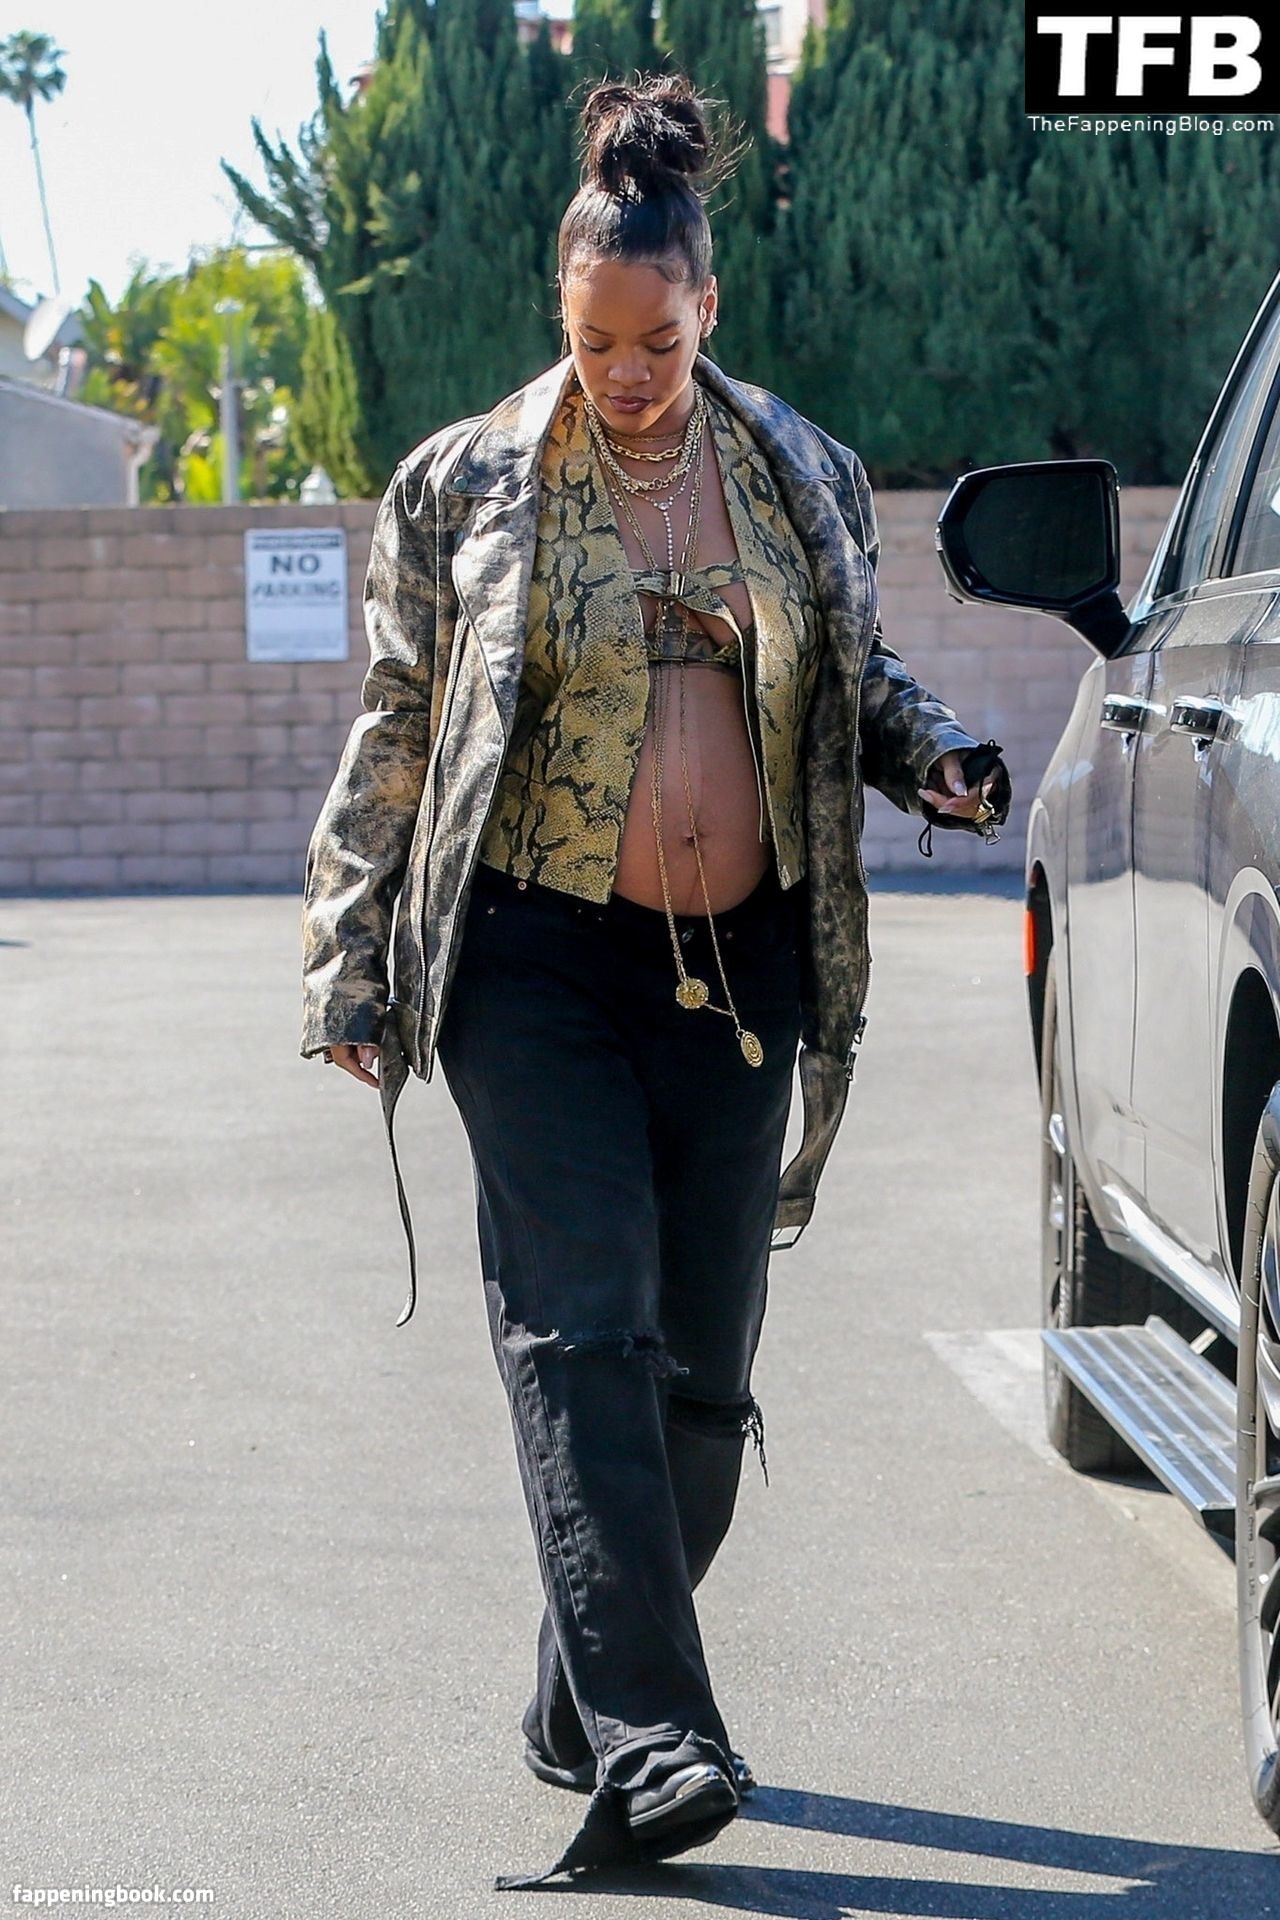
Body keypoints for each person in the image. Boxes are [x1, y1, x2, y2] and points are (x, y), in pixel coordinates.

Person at [299, 72, 1011, 1890]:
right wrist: (353, 948)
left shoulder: (799, 471)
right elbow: (402, 717)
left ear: (706, 303)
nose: (625, 372)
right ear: (563, 312)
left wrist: (933, 753)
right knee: (581, 1333)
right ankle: (661, 1736)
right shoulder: (463, 481)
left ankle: (579, 1696)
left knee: (702, 1379)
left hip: (742, 968)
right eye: (594, 339)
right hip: (532, 957)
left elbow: (854, 679)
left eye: (657, 338)